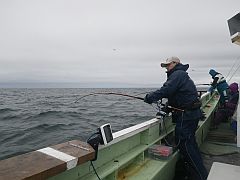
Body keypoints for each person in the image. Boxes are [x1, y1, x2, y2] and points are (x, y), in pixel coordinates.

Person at [144, 57, 208, 180]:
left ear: (175, 63)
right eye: (165, 66)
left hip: (186, 116)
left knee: (185, 145)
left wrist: (150, 97)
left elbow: (167, 90)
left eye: (168, 65)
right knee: (191, 144)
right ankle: (196, 173)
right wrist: (167, 109)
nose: (166, 67)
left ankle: (200, 176)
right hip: (190, 115)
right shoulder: (179, 75)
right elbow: (175, 96)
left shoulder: (178, 74)